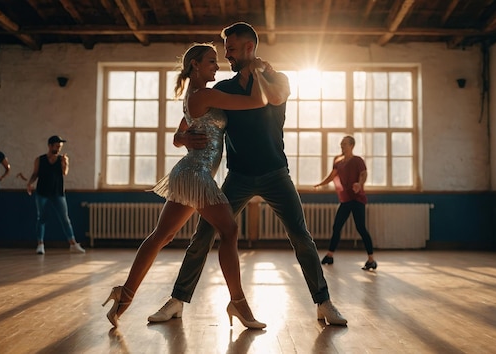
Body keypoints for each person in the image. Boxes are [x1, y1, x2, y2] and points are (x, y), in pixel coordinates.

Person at [148, 22, 347, 326]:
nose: (226, 55)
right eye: (224, 50)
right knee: (202, 235)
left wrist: (258, 71)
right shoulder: (222, 89)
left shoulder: (278, 78)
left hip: (275, 173)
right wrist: (185, 139)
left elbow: (275, 98)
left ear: (249, 48)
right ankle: (177, 300)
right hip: (238, 176)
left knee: (301, 237)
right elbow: (183, 128)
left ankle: (324, 303)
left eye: (230, 49)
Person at [102, 42, 269, 329]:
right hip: (195, 175)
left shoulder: (198, 95)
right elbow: (258, 101)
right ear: (195, 65)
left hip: (190, 174)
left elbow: (178, 135)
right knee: (229, 230)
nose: (217, 66)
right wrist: (258, 72)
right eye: (211, 61)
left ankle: (124, 294)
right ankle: (238, 303)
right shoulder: (203, 95)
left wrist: (184, 140)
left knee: (160, 237)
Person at [314, 136, 377, 270]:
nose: (342, 146)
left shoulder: (358, 160)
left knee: (361, 228)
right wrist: (321, 183)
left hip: (357, 199)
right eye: (341, 144)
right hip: (345, 200)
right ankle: (330, 256)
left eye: (344, 144)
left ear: (352, 146)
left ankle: (371, 259)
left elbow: (363, 174)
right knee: (336, 227)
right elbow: (332, 175)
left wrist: (359, 184)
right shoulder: (338, 161)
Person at [26, 135, 85, 255]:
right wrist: (29, 183)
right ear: (50, 146)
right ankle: (40, 244)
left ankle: (73, 244)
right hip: (42, 192)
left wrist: (65, 163)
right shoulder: (40, 159)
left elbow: (64, 173)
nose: (58, 149)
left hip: (58, 192)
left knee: (65, 218)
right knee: (41, 218)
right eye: (57, 146)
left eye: (60, 147)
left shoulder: (61, 159)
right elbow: (35, 174)